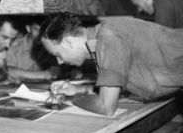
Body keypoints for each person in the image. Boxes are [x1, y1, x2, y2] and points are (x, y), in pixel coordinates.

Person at [40, 12, 183, 115]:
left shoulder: (109, 40)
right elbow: (120, 83)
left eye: (58, 55)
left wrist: (73, 98)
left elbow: (106, 107)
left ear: (67, 42)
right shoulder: (105, 34)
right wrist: (81, 89)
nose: (60, 61)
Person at [6, 15, 60, 83]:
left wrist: (54, 71)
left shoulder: (48, 46)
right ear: (28, 28)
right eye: (36, 29)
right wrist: (43, 75)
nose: (40, 34)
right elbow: (7, 71)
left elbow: (56, 69)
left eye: (43, 31)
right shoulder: (15, 45)